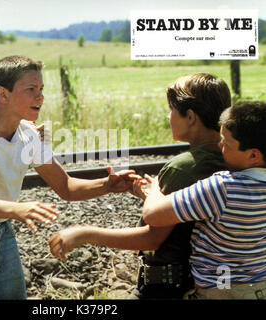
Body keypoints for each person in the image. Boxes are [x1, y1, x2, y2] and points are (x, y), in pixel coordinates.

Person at [0, 55, 135, 300]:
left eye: (41, 89)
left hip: (2, 232)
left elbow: (66, 187)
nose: (40, 96)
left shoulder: (28, 134)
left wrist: (108, 185)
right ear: (3, 94)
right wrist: (17, 209)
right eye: (30, 89)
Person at [49, 73, 231, 299]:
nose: (168, 116)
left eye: (172, 110)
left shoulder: (182, 167)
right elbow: (192, 214)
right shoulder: (230, 159)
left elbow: (152, 238)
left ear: (191, 117)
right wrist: (151, 198)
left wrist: (83, 234)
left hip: (165, 289)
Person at [141, 101, 266, 299]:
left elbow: (152, 215)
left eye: (226, 142)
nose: (219, 145)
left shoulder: (223, 187)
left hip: (220, 290)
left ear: (253, 155)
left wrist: (155, 187)